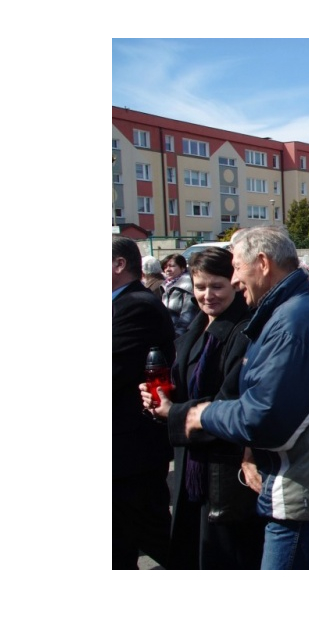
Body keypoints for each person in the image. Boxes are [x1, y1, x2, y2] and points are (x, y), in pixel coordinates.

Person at [183, 227, 309, 570]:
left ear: (263, 263)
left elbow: (267, 418)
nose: (235, 279)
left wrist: (205, 414)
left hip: (303, 489)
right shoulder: (292, 314)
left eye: (237, 267)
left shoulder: (294, 323)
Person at [140, 247, 264, 569]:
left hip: (225, 468)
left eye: (217, 286)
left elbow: (232, 400)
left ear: (234, 284)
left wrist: (175, 412)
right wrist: (160, 398)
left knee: (225, 559)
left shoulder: (245, 330)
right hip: (192, 464)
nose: (207, 295)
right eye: (200, 287)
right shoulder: (196, 329)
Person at [113, 236, 176, 569]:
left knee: (155, 537)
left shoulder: (135, 305)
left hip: (132, 452)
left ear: (119, 264)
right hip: (124, 453)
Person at [161, 253, 199, 337]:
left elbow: (187, 316)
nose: (167, 269)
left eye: (172, 266)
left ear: (182, 268)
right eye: (165, 267)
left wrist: (177, 337)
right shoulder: (166, 286)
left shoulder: (187, 286)